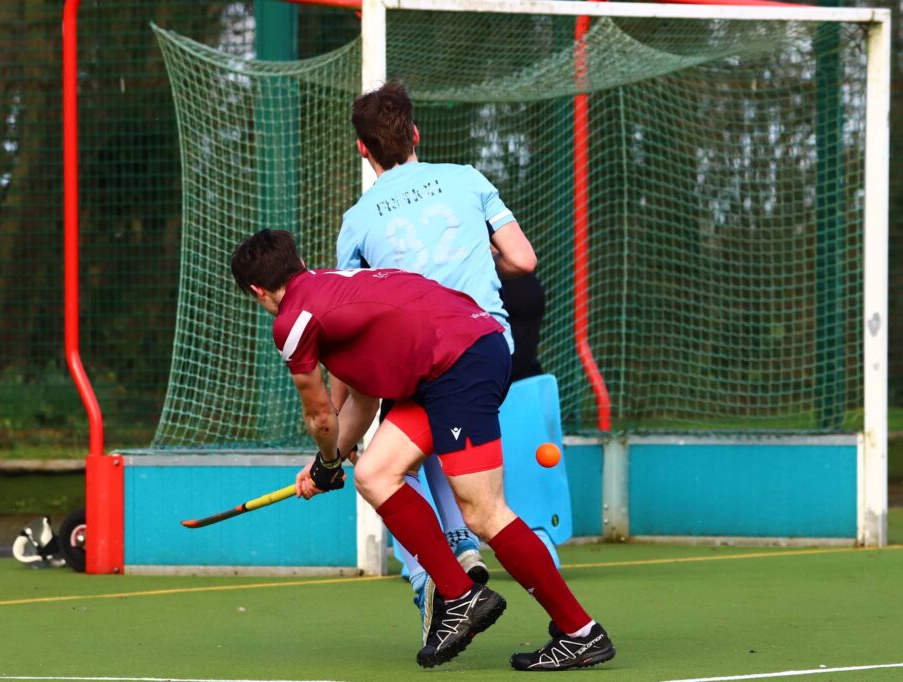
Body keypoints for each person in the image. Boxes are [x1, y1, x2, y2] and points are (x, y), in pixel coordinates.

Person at [230, 229, 615, 671]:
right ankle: (462, 597)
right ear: (296, 263)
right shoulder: (337, 286)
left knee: (483, 512)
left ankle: (580, 632)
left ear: (257, 290)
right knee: (374, 474)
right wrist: (324, 463)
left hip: (462, 365)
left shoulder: (293, 322)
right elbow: (362, 401)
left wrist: (329, 460)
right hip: (451, 362)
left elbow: (320, 417)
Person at [337, 80, 537, 623]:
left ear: (362, 148)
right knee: (417, 435)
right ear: (416, 134)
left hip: (421, 359)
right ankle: (460, 552)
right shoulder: (467, 178)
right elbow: (523, 260)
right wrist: (479, 264)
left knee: (383, 460)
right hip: (489, 347)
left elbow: (349, 326)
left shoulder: (357, 221)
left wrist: (336, 425)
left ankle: (429, 571)